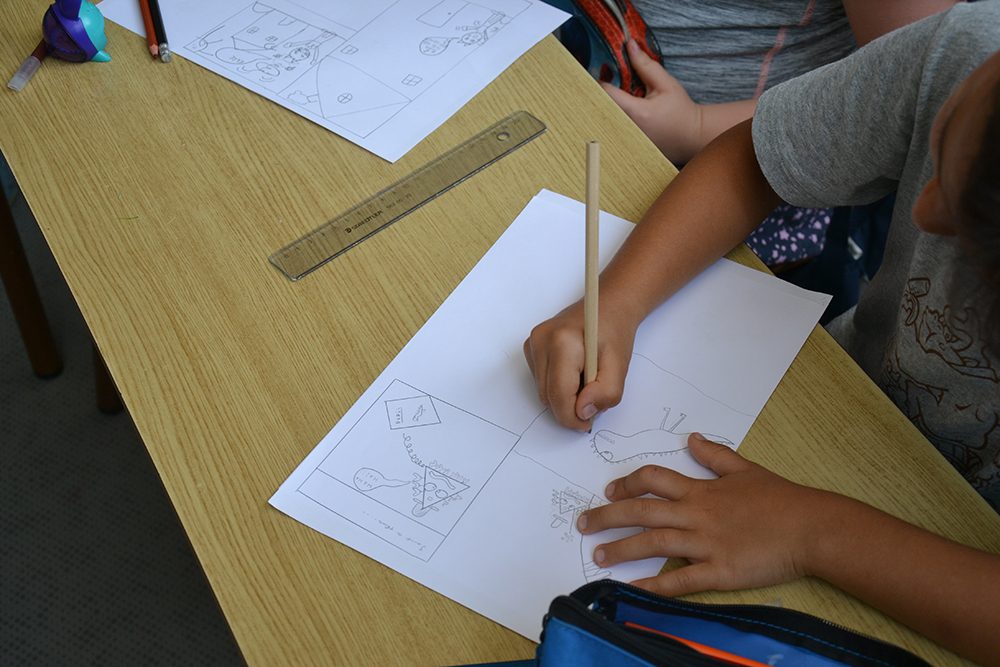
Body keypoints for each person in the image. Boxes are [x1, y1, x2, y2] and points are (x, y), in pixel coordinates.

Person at [523, 3, 1000, 664]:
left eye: (972, 224)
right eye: (943, 150)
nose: (923, 210)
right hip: (845, 402)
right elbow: (756, 156)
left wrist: (812, 531)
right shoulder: (974, 48)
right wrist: (619, 302)